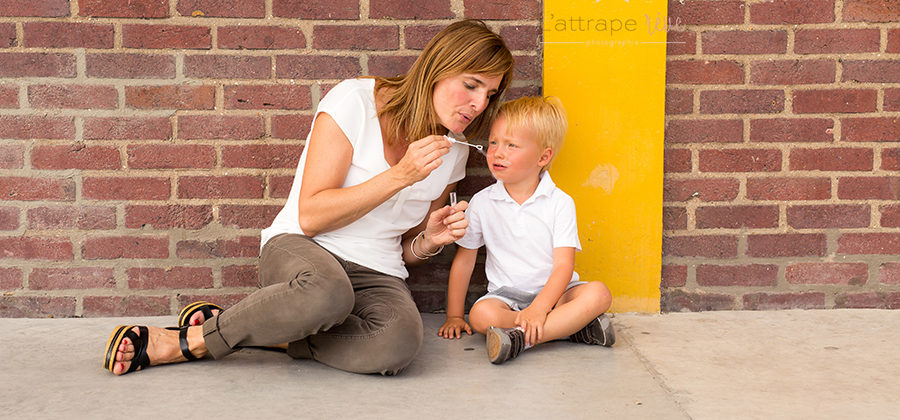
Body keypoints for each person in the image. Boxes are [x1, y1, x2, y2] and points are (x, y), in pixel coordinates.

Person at [104, 19, 514, 376]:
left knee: (399, 343)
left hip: (377, 271)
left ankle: (258, 329)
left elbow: (404, 249)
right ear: (438, 69)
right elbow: (312, 215)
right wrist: (400, 175)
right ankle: (186, 343)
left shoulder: (453, 153)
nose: (478, 104)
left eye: (490, 95)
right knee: (327, 293)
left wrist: (428, 240)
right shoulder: (355, 101)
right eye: (471, 85)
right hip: (303, 248)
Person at [437, 96, 615, 364]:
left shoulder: (560, 202)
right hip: (507, 299)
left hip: (557, 295)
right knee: (480, 316)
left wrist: (540, 309)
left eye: (512, 145)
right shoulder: (482, 202)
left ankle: (519, 339)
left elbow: (564, 266)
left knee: (599, 293)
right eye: (494, 142)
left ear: (543, 157)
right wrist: (454, 315)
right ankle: (571, 329)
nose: (497, 152)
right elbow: (465, 260)